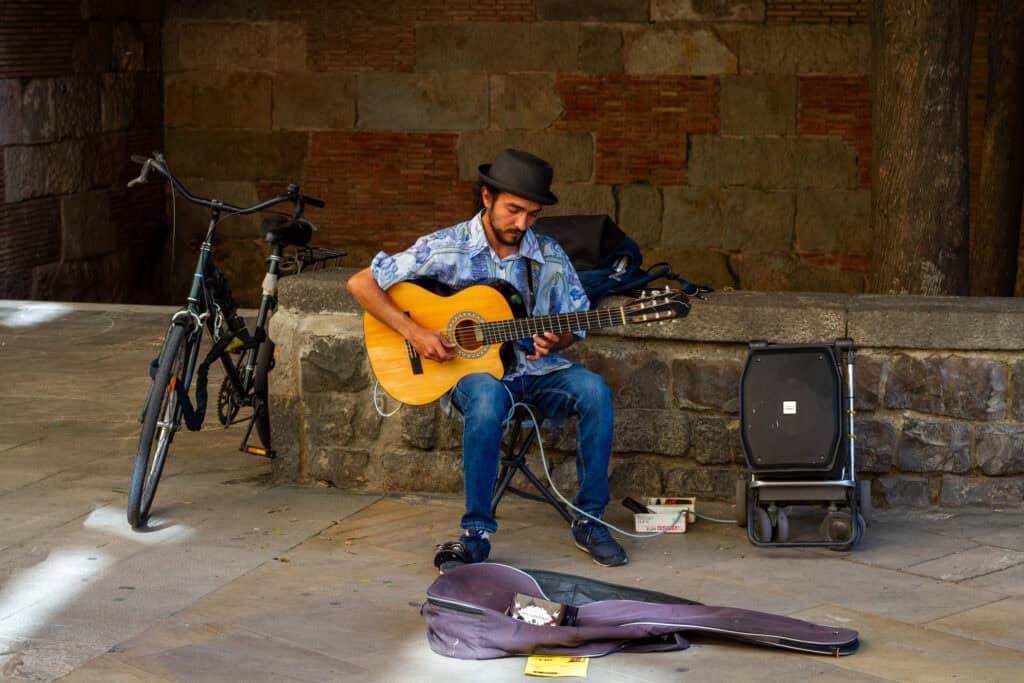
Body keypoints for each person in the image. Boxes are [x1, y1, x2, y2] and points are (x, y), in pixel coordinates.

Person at [347, 149, 627, 568]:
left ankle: (589, 519)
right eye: (514, 210)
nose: (522, 224)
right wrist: (415, 332)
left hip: (536, 371)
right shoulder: (445, 247)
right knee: (485, 396)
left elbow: (574, 320)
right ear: (487, 198)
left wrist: (558, 338)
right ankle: (476, 532)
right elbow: (362, 283)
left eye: (532, 215)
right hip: (471, 376)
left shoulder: (549, 254)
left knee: (594, 390)